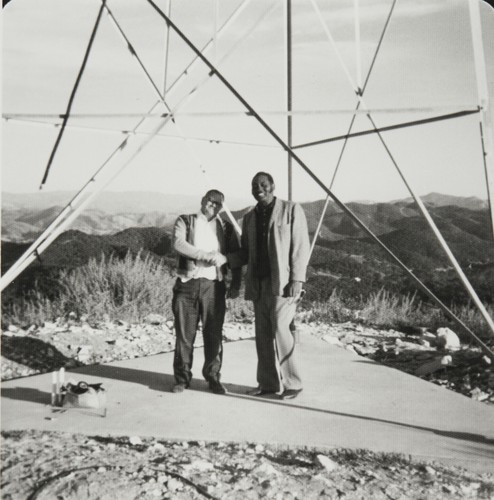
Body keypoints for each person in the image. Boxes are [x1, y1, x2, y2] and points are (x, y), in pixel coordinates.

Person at [228, 172, 310, 400]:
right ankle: (267, 384)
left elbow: (300, 246)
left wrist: (297, 279)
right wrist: (223, 259)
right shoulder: (250, 218)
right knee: (262, 334)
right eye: (254, 185)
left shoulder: (291, 210)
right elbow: (246, 253)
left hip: (283, 284)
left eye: (263, 184)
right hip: (259, 284)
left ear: (273, 186)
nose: (259, 188)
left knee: (281, 330)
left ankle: (293, 383)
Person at [171, 189, 240, 395]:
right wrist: (207, 256)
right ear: (202, 200)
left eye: (218, 203)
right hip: (187, 283)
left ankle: (213, 378)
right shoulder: (185, 220)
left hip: (214, 286)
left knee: (214, 334)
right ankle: (182, 379)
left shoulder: (226, 228)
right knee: (184, 335)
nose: (213, 205)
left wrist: (234, 278)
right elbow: (178, 243)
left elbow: (238, 255)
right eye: (210, 200)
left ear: (222, 206)